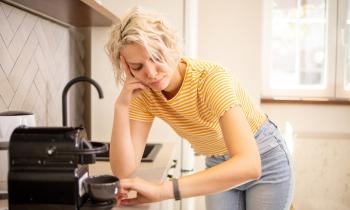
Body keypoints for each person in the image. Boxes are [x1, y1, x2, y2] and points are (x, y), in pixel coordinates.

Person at [105, 7, 293, 210]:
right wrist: (121, 106)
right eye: (137, 66)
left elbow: (249, 164)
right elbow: (123, 170)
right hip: (218, 162)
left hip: (265, 156)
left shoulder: (210, 80)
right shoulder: (144, 95)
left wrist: (162, 190)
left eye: (156, 57)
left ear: (170, 46)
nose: (150, 73)